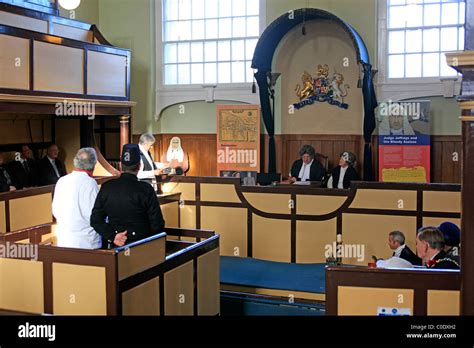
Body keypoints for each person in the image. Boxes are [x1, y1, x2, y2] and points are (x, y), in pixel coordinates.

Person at [90, 144, 165, 248]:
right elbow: (157, 223)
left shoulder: (107, 187)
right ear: (139, 166)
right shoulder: (145, 189)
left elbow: (95, 220)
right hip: (143, 245)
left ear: (121, 165)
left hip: (117, 246)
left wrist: (113, 236)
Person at [52, 148, 101, 249]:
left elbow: (55, 211)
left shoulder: (62, 181)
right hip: (87, 242)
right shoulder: (90, 183)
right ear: (94, 164)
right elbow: (94, 215)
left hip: (65, 240)